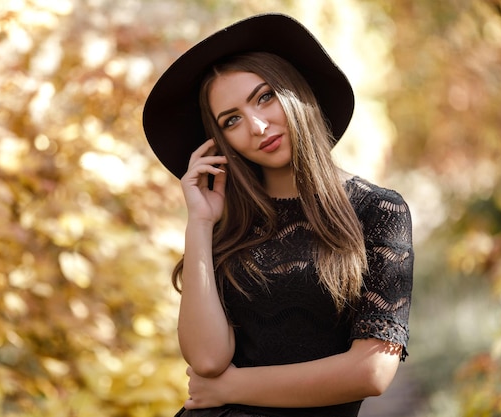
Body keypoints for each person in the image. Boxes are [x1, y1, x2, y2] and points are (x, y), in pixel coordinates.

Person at [142, 13, 413, 417]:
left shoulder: (377, 210)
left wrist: (232, 387)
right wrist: (199, 223)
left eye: (264, 97)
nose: (255, 125)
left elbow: (372, 370)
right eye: (231, 120)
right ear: (221, 142)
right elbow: (207, 360)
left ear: (294, 93)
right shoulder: (227, 226)